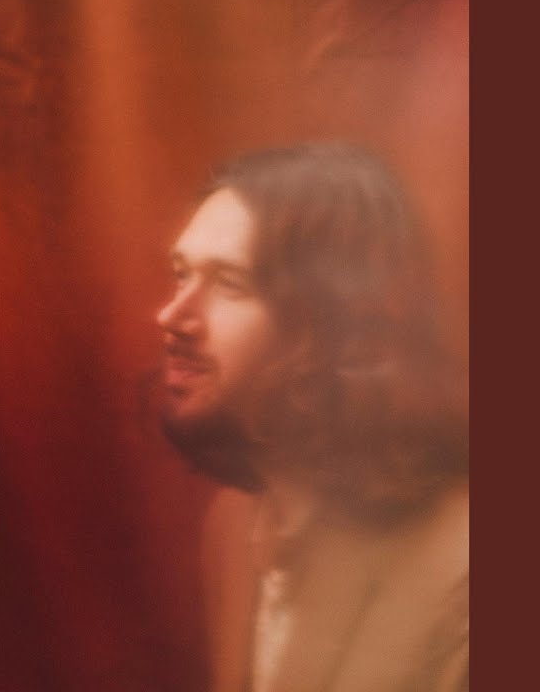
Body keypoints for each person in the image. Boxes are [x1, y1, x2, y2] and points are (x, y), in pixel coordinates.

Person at [156, 142, 468, 692]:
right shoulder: (233, 525)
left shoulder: (462, 569)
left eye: (229, 283)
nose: (172, 316)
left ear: (335, 322)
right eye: (182, 275)